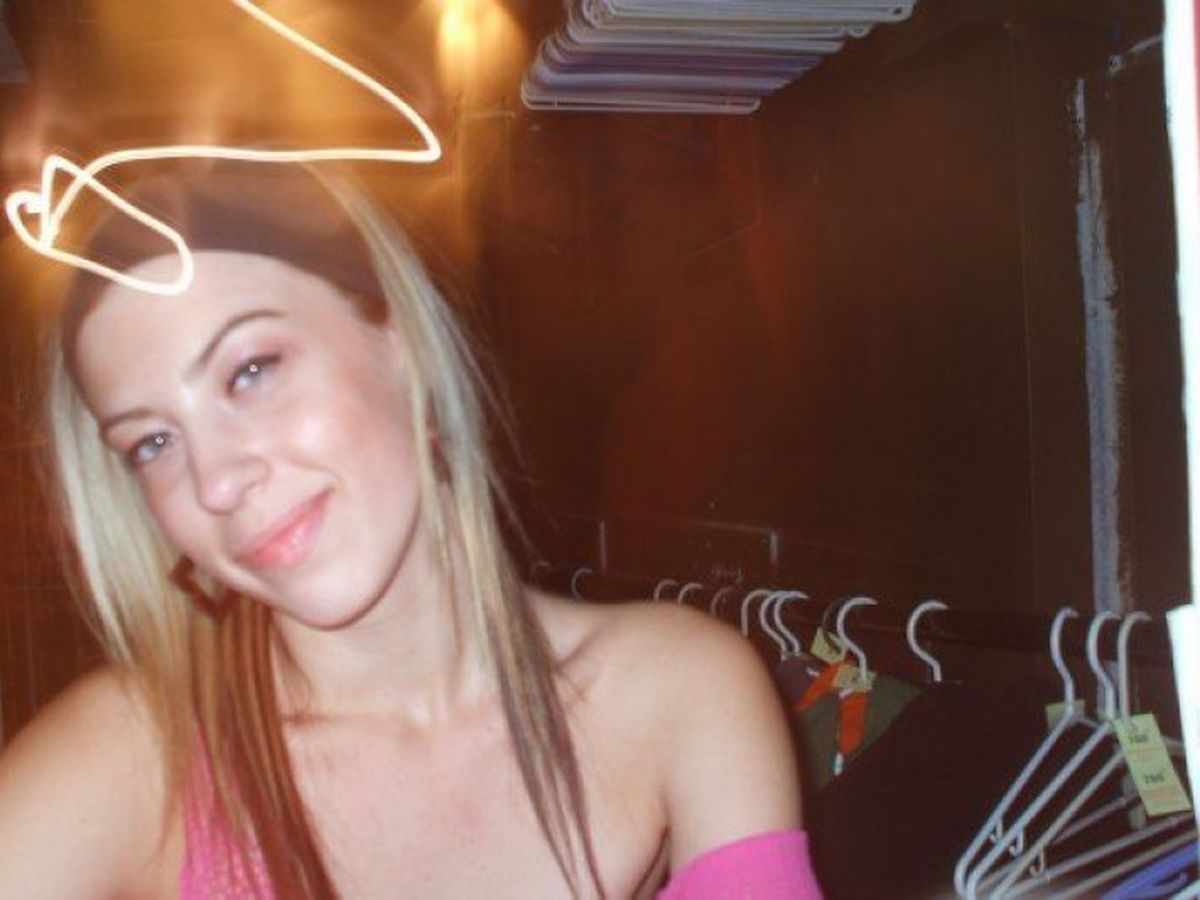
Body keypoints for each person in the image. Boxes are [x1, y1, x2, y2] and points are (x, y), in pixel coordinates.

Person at [0, 162, 819, 898]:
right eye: (152, 443)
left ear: (396, 341)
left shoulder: (676, 692)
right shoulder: (133, 759)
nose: (215, 483)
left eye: (250, 372)